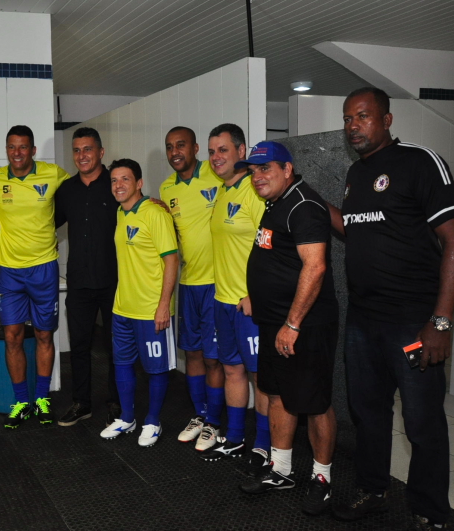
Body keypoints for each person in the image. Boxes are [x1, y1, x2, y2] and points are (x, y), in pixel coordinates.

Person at [329, 88, 454, 530]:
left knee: (422, 422)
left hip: (413, 321)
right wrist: (311, 201)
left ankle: (430, 511)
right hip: (363, 320)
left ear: (387, 120)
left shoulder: (420, 162)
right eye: (348, 118)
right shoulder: (355, 173)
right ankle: (373, 490)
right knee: (367, 414)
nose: (353, 126)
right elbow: (356, 230)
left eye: (363, 116)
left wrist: (440, 322)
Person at [239, 141, 339, 518]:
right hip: (275, 322)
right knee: (278, 394)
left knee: (315, 403)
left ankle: (322, 477)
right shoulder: (277, 202)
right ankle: (280, 469)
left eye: (265, 169)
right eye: (253, 171)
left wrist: (293, 323)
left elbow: (315, 267)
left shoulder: (303, 205)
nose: (257, 177)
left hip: (304, 326)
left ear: (287, 169)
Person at [0, 125, 71, 428]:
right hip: (9, 272)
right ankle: (20, 402)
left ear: (33, 150)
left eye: (23, 147)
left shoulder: (53, 173)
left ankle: (41, 399)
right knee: (12, 336)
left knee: (44, 335)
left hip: (44, 269)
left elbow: (83, 190)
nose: (17, 153)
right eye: (12, 147)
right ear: (7, 150)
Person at [200, 124, 271, 469]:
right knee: (232, 371)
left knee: (261, 378)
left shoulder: (254, 192)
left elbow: (272, 248)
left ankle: (265, 446)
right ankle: (235, 438)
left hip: (249, 304)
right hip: (223, 301)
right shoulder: (221, 192)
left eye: (223, 150)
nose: (216, 157)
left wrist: (255, 293)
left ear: (241, 152)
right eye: (212, 151)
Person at [100, 158, 179, 447]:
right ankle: (127, 418)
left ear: (139, 183)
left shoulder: (155, 214)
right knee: (122, 364)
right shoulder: (120, 213)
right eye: (114, 180)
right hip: (123, 307)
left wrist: (163, 305)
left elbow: (172, 260)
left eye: (125, 179)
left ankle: (153, 421)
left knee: (156, 368)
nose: (118, 185)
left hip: (151, 310)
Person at [158, 127, 225, 451]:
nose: (175, 152)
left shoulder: (216, 173)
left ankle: (215, 422)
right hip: (188, 284)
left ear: (195, 148)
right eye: (170, 147)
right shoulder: (167, 188)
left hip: (217, 284)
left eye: (181, 145)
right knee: (193, 353)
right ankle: (200, 415)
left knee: (213, 359)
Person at [55, 127, 121, 427]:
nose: (82, 155)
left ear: (101, 152)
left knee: (115, 347)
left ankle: (117, 403)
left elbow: (137, 209)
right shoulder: (66, 190)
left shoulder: (115, 184)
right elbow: (46, 223)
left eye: (88, 149)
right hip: (79, 281)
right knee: (79, 347)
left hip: (114, 281)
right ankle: (81, 403)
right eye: (77, 150)